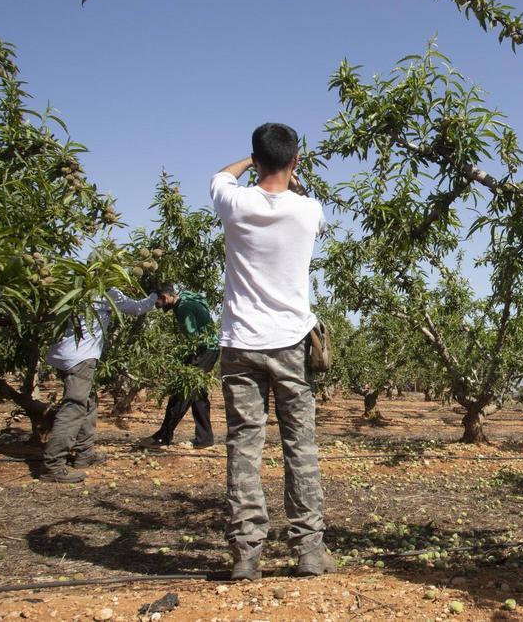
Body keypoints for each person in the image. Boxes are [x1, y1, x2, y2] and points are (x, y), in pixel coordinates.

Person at [210, 122, 333, 580]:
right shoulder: (308, 211)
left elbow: (221, 175)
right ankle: (308, 552)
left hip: (240, 344)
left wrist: (249, 162)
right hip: (290, 346)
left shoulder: (234, 201)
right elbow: (304, 198)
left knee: (244, 445)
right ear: (295, 161)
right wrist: (293, 178)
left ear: (256, 160)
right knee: (299, 446)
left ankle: (245, 554)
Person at [41, 287, 157, 483]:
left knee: (89, 402)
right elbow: (136, 308)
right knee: (74, 407)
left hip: (63, 354)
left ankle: (84, 454)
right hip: (81, 358)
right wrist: (156, 295)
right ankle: (53, 465)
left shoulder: (76, 288)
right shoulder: (107, 291)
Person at [144, 283, 219, 448]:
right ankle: (205, 438)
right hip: (209, 349)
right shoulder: (186, 300)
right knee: (197, 393)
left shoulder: (183, 307)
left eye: (157, 303)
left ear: (164, 297)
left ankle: (163, 436)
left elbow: (192, 337)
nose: (156, 307)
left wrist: (179, 359)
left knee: (181, 391)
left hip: (203, 350)